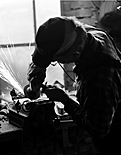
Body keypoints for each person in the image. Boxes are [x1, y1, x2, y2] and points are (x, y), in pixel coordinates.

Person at [24, 16, 121, 154]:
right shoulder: (86, 34)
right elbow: (51, 40)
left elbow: (98, 129)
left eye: (55, 61)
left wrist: (64, 99)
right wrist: (38, 70)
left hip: (114, 143)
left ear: (74, 54)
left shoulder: (99, 78)